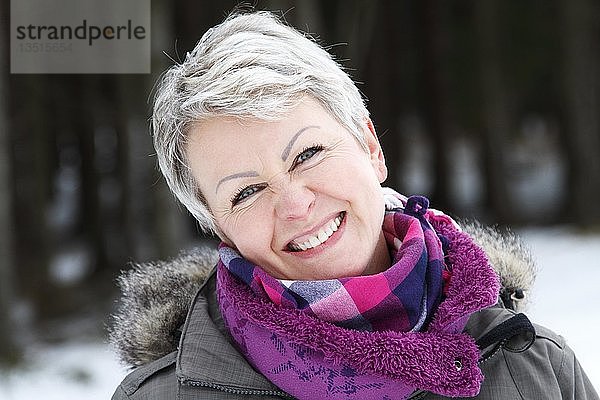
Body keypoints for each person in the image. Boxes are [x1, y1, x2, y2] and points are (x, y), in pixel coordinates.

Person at [110, 10, 598, 400]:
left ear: (370, 146)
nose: (296, 205)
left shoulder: (535, 368)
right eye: (247, 192)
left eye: (307, 154)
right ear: (219, 227)